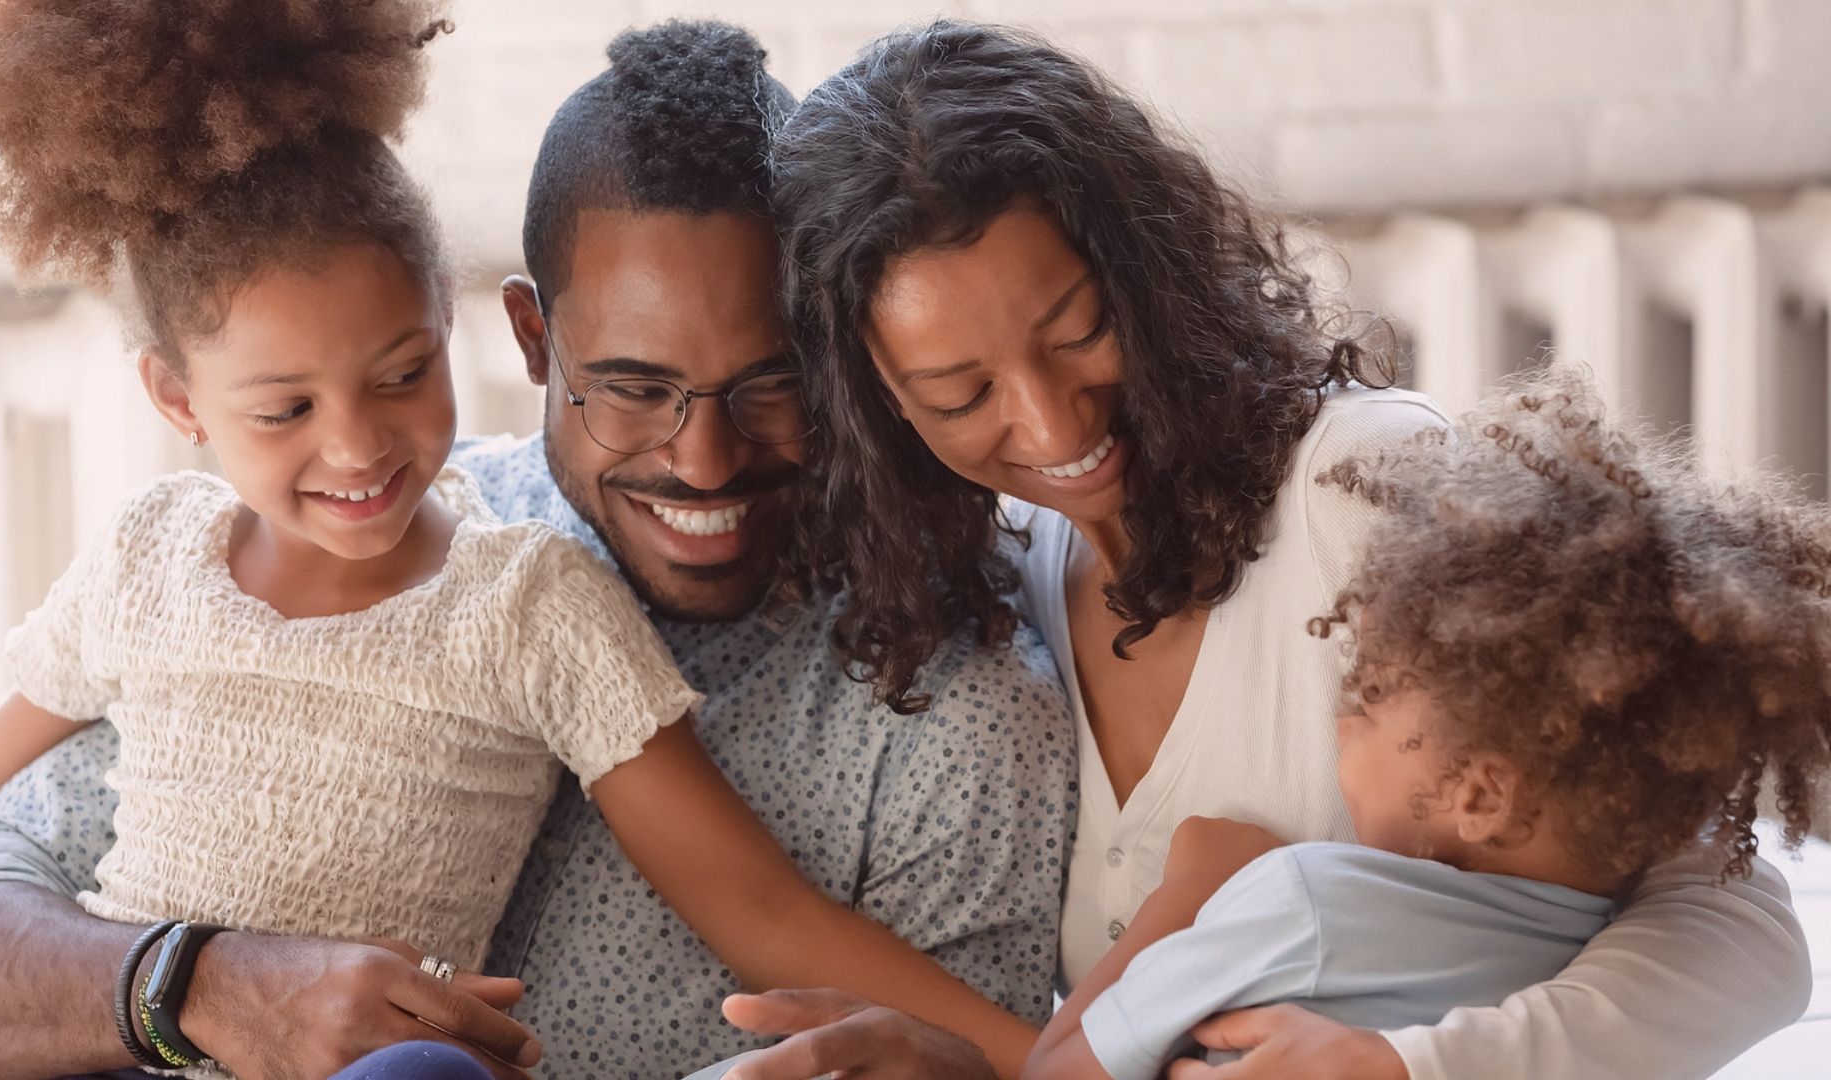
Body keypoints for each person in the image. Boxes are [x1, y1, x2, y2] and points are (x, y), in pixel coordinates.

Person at [0, 15, 1074, 1080]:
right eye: (632, 387)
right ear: (529, 337)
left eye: (770, 384)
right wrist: (200, 986)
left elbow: (775, 921)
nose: (705, 461)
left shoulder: (949, 724)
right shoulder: (291, 545)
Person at [715, 20, 1810, 1080]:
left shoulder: (1362, 496)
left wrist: (1407, 1066)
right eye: (963, 394)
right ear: (882, 412)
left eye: (1082, 330)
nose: (1054, 429)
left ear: (1147, 272)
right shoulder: (1009, 589)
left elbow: (1746, 926)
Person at [1021, 369, 1831, 1079]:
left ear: (1479, 795)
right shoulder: (1591, 944)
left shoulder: (1305, 907)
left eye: (1365, 698)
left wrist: (1186, 893)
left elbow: (1056, 1071)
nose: (1338, 721)